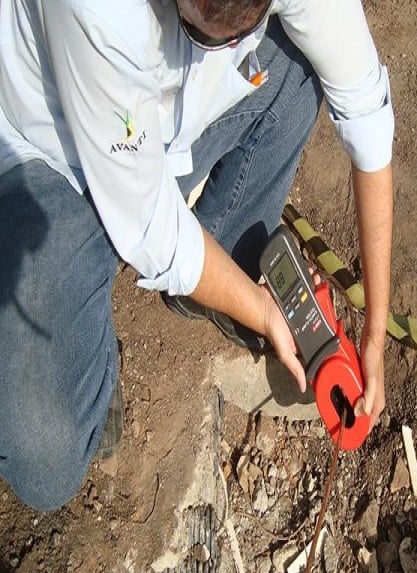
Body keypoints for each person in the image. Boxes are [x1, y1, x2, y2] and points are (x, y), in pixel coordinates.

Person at [0, 0, 394, 511]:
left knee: (299, 69)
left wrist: (375, 332)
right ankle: (87, 352)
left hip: (166, 129)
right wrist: (262, 312)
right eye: (206, 29)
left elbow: (364, 108)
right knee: (46, 459)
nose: (228, 42)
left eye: (239, 29)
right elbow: (150, 229)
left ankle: (224, 255)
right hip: (55, 160)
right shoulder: (99, 12)